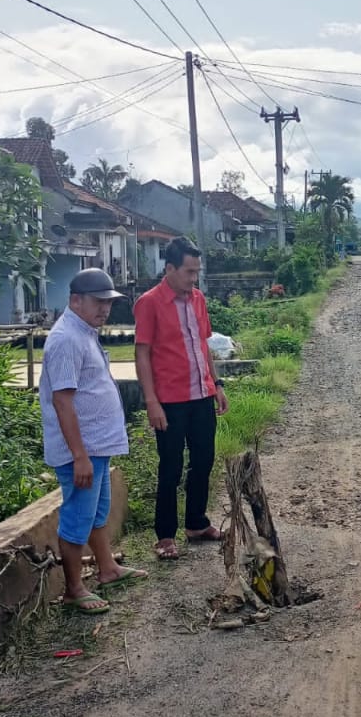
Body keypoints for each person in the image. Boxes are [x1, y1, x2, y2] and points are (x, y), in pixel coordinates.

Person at [40, 268, 146, 613]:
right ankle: (73, 589)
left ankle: (108, 569)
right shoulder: (66, 339)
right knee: (77, 517)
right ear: (75, 300)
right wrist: (79, 455)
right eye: (98, 302)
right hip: (80, 452)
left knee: (96, 513)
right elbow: (62, 401)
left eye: (108, 303)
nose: (105, 309)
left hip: (95, 447)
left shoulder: (84, 332)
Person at [134, 237, 229, 560]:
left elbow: (204, 345)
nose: (193, 279)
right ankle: (164, 535)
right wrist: (151, 402)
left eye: (196, 272)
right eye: (189, 272)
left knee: (203, 460)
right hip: (170, 401)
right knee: (171, 467)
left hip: (201, 394)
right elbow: (142, 353)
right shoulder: (149, 303)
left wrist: (216, 384)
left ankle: (197, 523)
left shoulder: (198, 299)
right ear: (170, 268)